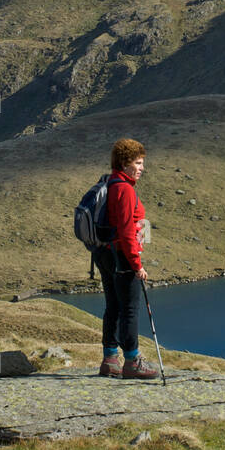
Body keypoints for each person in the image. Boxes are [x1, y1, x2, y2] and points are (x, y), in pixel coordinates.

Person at [94, 138, 159, 379]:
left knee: (113, 306)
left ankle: (110, 359)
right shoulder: (125, 189)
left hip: (106, 254)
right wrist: (137, 264)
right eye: (138, 162)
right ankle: (132, 361)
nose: (142, 168)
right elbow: (126, 231)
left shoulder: (111, 183)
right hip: (121, 257)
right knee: (129, 310)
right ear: (125, 163)